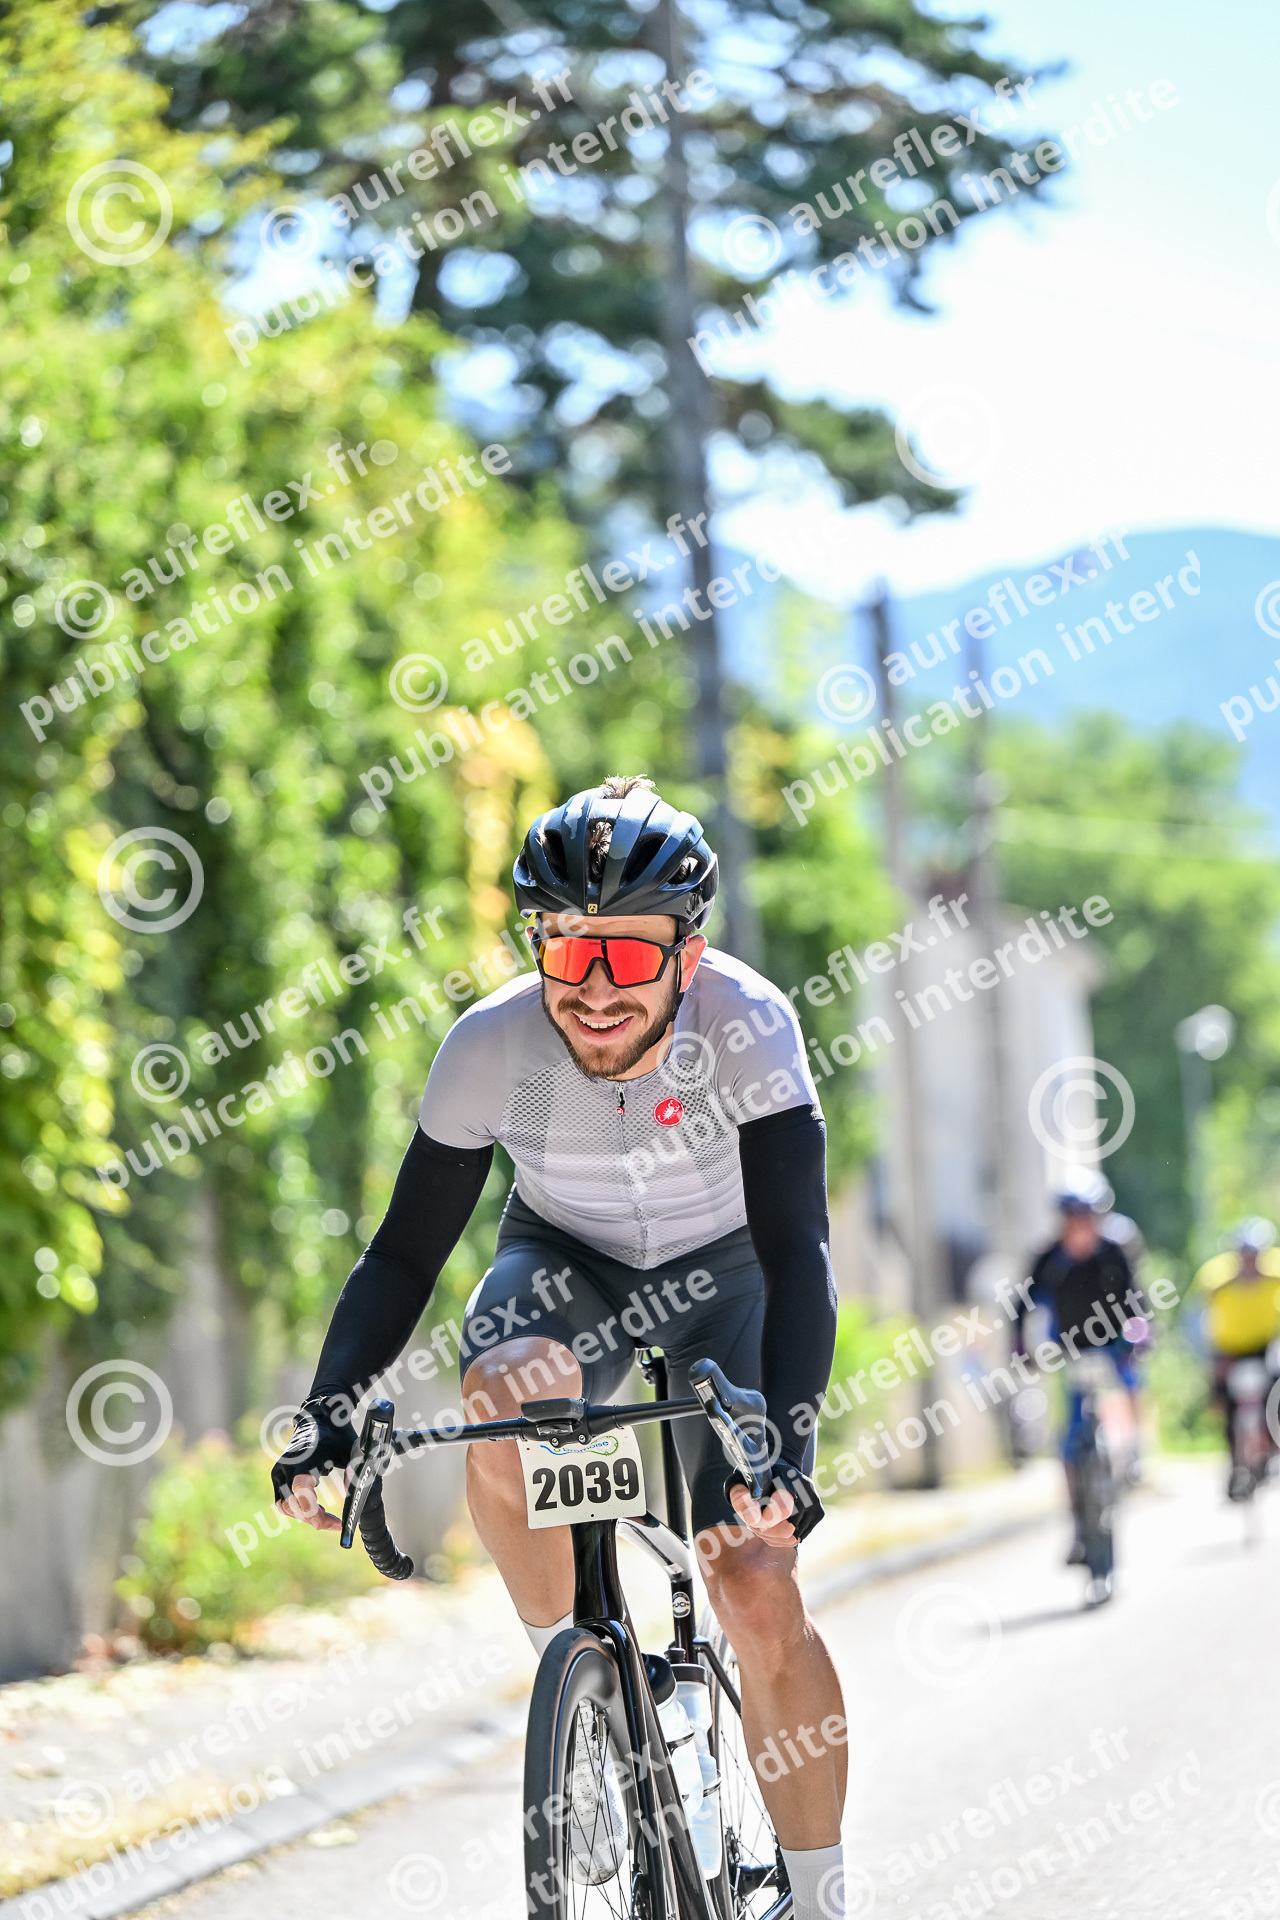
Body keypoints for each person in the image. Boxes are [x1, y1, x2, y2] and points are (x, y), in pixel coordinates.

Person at [271, 776, 848, 1920]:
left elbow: (797, 1253)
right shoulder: (489, 1046)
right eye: (567, 949)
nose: (592, 989)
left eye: (626, 955)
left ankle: (823, 1896)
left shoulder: (748, 1025)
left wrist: (783, 1446)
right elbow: (402, 1256)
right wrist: (328, 1413)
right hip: (567, 1266)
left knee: (751, 1579)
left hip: (729, 1274)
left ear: (687, 955)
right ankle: (578, 1706)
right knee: (501, 1392)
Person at [1019, 1169, 1149, 1563]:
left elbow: (1137, 1299)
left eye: (1087, 1218)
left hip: (1113, 1343)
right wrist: (1020, 1347)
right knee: (1071, 1439)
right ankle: (1078, 1521)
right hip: (1071, 1348)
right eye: (1071, 1219)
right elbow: (1022, 1305)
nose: (1080, 1227)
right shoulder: (1048, 1257)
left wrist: (1141, 1334)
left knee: (1130, 1383)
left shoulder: (1115, 1250)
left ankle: (1135, 1452)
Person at [1193, 1217, 1280, 1500]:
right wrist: (1208, 1354)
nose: (1250, 1264)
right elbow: (1195, 1317)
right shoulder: (1215, 1279)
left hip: (1265, 1346)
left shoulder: (1276, 1271)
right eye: (1245, 1257)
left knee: (1274, 1396)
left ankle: (1271, 1450)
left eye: (1255, 1257)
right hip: (1227, 1351)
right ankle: (1235, 1466)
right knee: (1227, 1406)